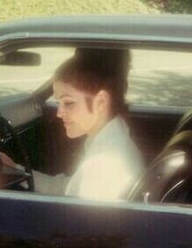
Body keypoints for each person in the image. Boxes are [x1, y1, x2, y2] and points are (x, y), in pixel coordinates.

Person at [31, 49, 144, 201]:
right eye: (58, 103)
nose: (59, 113)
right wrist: (17, 173)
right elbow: (69, 187)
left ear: (101, 101)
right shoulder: (115, 135)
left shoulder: (100, 167)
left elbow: (68, 221)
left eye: (69, 103)